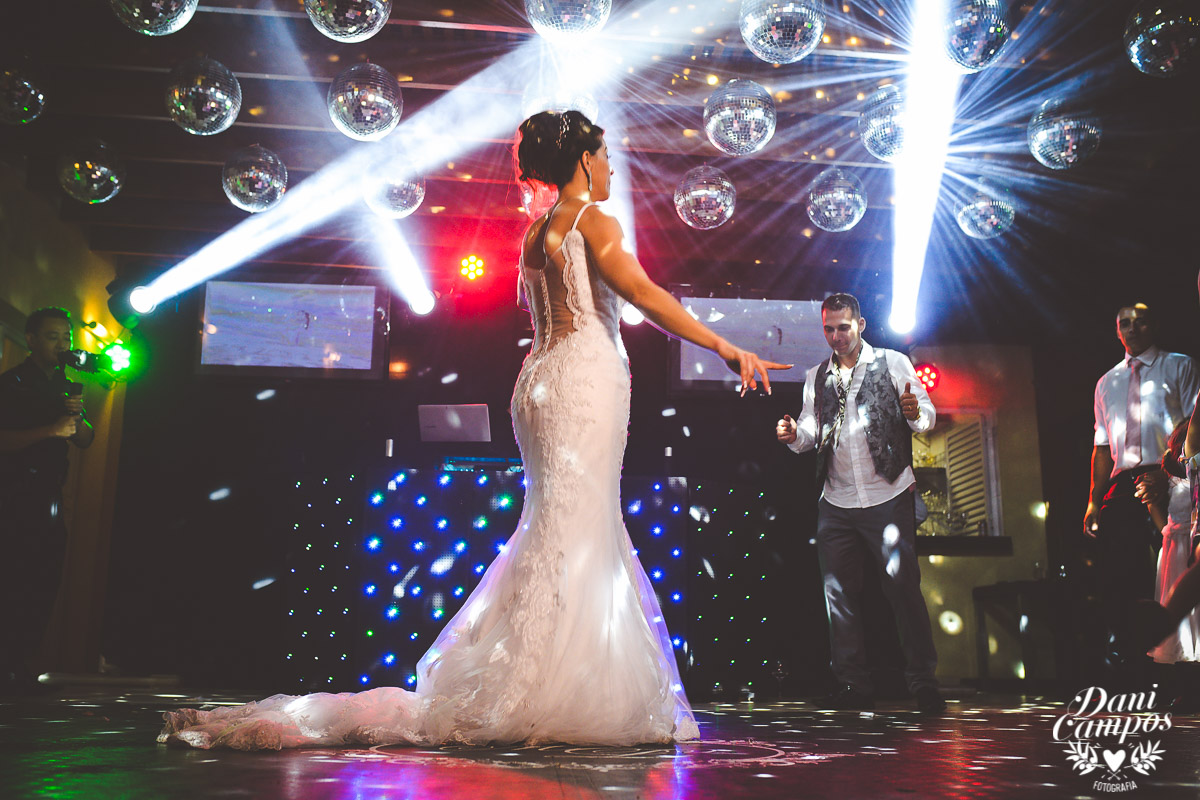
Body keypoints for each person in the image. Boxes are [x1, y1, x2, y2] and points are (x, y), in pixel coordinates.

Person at [158, 110, 789, 749]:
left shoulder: (536, 232)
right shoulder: (593, 219)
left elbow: (555, 306)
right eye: (602, 156)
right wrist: (723, 346)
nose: (610, 166)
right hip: (585, 381)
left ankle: (537, 670)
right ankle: (544, 685)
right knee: (575, 528)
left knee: (556, 525)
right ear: (580, 161)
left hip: (540, 380)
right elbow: (643, 294)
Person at [775, 293, 946, 714]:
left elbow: (925, 414)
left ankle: (923, 683)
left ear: (861, 325)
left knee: (903, 590)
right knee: (839, 596)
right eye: (829, 329)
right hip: (836, 501)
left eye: (843, 328)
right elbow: (813, 432)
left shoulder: (891, 361)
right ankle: (853, 684)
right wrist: (794, 433)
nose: (835, 336)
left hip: (887, 494)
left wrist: (913, 413)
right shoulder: (816, 375)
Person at [1084, 304, 1199, 659]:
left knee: (1171, 566)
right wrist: (1094, 499)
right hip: (1124, 481)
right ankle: (1133, 661)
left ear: (1154, 325)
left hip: (1172, 474)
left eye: (1140, 321)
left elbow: (1194, 427)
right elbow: (1102, 446)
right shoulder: (1106, 382)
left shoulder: (1179, 365)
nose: (1132, 328)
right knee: (1123, 574)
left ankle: (1180, 663)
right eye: (1125, 323)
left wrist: (1171, 471)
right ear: (1117, 330)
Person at [0, 307, 95, 693]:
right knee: (12, 579)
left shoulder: (65, 382)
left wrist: (77, 417)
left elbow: (84, 438)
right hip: (12, 496)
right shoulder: (11, 383)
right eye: (54, 337)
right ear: (32, 339)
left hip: (51, 498)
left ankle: (19, 664)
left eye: (67, 337)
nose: (63, 345)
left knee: (43, 582)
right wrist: (50, 429)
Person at [1134, 420, 1199, 663]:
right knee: (1181, 612)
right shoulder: (1170, 477)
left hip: (1193, 540)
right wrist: (1168, 534)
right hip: (1176, 545)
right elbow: (1158, 509)